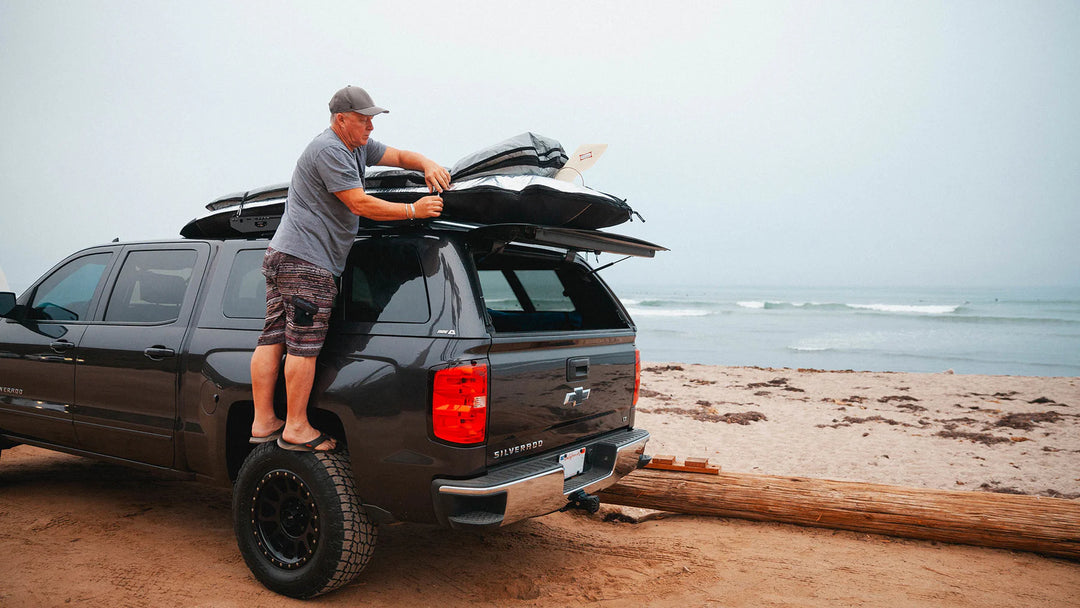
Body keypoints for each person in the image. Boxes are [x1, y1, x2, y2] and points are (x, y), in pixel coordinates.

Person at [249, 85, 451, 452]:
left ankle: (263, 421)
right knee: (303, 346)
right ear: (341, 119)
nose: (370, 127)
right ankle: (295, 427)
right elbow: (358, 203)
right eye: (363, 120)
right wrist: (413, 211)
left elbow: (401, 156)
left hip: (285, 254)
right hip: (307, 261)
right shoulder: (330, 149)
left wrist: (428, 164)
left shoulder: (357, 145)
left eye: (372, 120)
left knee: (275, 336)